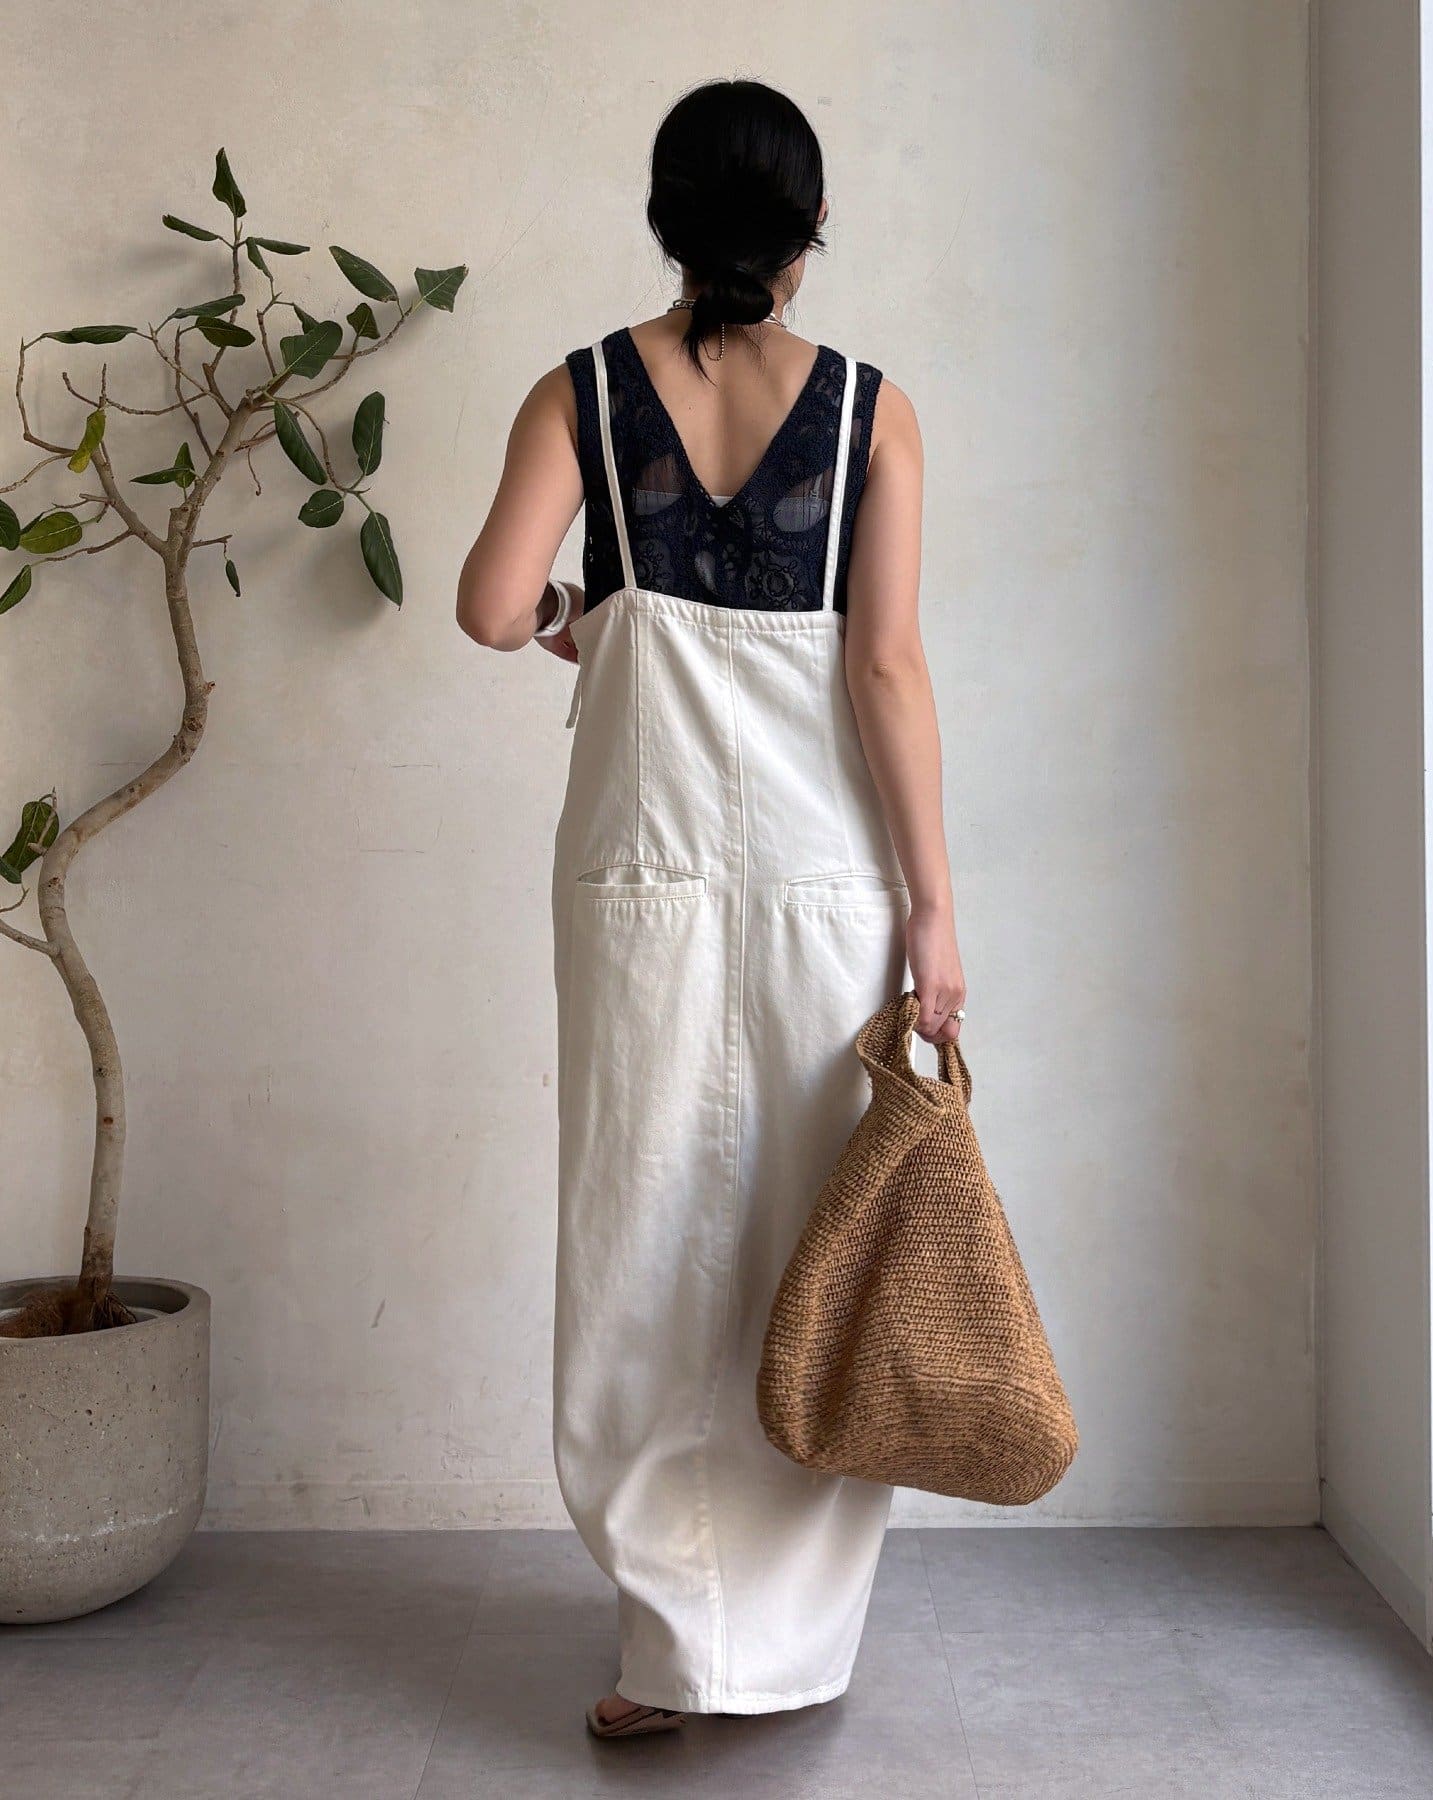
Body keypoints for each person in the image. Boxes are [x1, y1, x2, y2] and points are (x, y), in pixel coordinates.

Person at [457, 77, 966, 1738]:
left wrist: (575, 610)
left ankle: (669, 1649)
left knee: (641, 1235)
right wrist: (935, 911)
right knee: (810, 1240)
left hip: (638, 873)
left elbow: (487, 607)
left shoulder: (582, 392)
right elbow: (887, 669)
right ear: (813, 229)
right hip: (827, 879)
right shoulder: (874, 411)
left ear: (668, 223)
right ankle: (786, 1643)